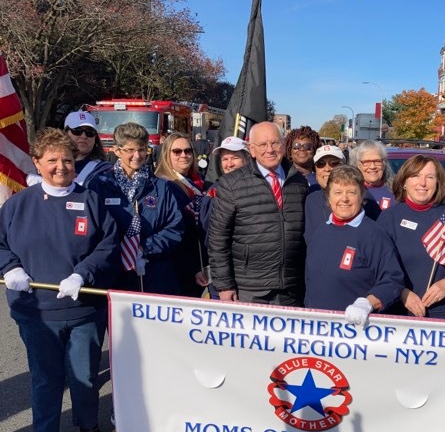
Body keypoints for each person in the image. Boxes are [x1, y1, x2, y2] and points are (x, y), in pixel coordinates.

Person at [0, 128, 120, 432]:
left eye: (67, 159)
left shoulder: (91, 200)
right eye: (51, 160)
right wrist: (10, 267)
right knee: (46, 378)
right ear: (37, 162)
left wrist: (83, 272)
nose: (60, 166)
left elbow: (108, 245)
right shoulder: (18, 205)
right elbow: (0, 244)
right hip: (36, 312)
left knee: (84, 376)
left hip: (84, 310)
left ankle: (88, 426)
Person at [208, 121, 308, 306]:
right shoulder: (231, 184)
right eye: (262, 145)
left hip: (292, 287)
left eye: (275, 143)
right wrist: (224, 285)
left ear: (284, 145)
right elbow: (218, 239)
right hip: (249, 288)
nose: (269, 149)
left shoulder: (299, 182)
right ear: (252, 150)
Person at [89, 122, 184, 295]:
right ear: (117, 151)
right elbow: (93, 228)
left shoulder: (161, 187)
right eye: (130, 150)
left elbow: (175, 228)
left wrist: (144, 248)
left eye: (142, 149)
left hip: (155, 274)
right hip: (114, 274)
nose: (137, 155)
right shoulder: (100, 185)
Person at [305, 165, 404, 325]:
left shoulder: (373, 235)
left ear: (362, 197)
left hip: (356, 334)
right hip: (319, 332)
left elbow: (393, 281)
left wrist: (367, 303)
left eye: (351, 192)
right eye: (338, 192)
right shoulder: (320, 231)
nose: (344, 199)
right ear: (328, 198)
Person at [377, 155, 445, 318]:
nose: (422, 183)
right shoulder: (388, 218)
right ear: (404, 182)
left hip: (442, 315)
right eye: (415, 176)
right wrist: (401, 292)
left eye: (430, 177)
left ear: (438, 183)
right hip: (396, 314)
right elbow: (375, 267)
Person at [154, 133, 214, 297]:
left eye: (188, 151)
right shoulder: (161, 185)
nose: (184, 155)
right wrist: (192, 267)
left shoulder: (201, 182)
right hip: (179, 266)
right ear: (167, 154)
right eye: (177, 151)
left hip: (205, 260)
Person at [304, 145, 380, 244]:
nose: (327, 168)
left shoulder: (363, 198)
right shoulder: (311, 199)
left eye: (334, 163)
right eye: (321, 164)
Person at [350, 140, 395, 215]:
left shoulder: (396, 190)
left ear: (384, 164)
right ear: (358, 165)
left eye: (377, 161)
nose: (372, 166)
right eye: (366, 162)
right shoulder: (351, 190)